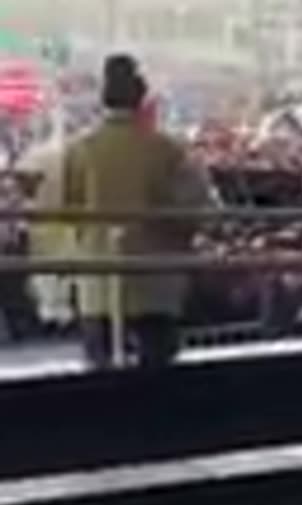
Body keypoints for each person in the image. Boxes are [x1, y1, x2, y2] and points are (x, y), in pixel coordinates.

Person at [55, 55, 213, 369]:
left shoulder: (80, 150)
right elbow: (193, 207)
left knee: (98, 376)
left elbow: (66, 211)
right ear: (141, 99)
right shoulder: (167, 150)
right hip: (155, 284)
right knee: (156, 376)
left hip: (98, 283)